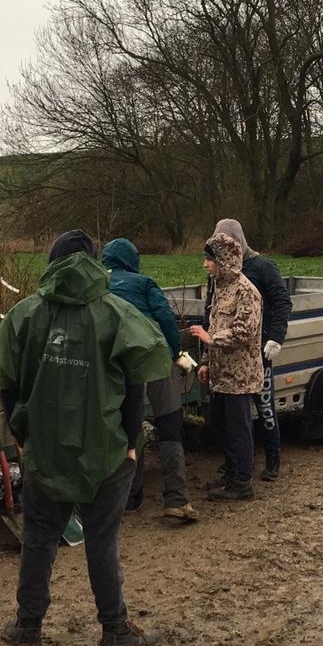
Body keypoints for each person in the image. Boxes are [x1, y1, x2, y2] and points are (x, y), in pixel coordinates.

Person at [0, 229, 170, 646]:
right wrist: (132, 440)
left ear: (52, 262)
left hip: (45, 451)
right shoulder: (117, 314)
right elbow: (135, 380)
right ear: (93, 263)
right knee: (102, 538)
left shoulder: (24, 314)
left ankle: (27, 626)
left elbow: (2, 376)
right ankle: (114, 628)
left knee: (39, 536)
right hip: (107, 449)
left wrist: (20, 431)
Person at [102, 237, 197, 523]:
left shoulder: (98, 286)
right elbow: (165, 319)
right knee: (169, 425)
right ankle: (176, 500)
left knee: (130, 430)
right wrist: (176, 350)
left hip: (119, 364)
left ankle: (131, 498)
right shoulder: (144, 283)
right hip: (155, 359)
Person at [212, 219, 292, 480]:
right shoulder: (221, 271)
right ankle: (233, 464)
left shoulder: (262, 267)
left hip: (258, 350)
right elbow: (211, 309)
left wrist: (276, 337)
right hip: (227, 353)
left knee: (265, 405)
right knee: (232, 417)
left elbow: (281, 301)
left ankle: (272, 458)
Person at [188, 232, 263, 502]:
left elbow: (244, 331)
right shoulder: (220, 288)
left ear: (223, 261)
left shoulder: (247, 292)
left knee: (239, 429)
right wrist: (207, 361)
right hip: (221, 375)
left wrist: (210, 340)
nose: (205, 265)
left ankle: (243, 482)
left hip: (240, 376)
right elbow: (216, 325)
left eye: (209, 260)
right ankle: (230, 473)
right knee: (222, 427)